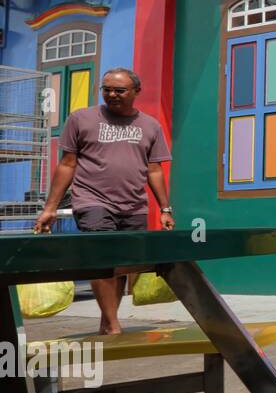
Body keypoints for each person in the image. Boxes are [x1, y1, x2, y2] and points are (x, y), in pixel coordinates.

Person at [34, 68, 174, 335]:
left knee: (120, 265)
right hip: (91, 200)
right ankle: (113, 325)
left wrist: (165, 208)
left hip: (133, 204)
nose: (112, 95)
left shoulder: (150, 125)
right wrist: (50, 208)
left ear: (136, 92)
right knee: (101, 259)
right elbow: (67, 164)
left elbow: (154, 169)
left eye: (119, 90)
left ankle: (107, 320)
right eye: (106, 89)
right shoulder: (81, 119)